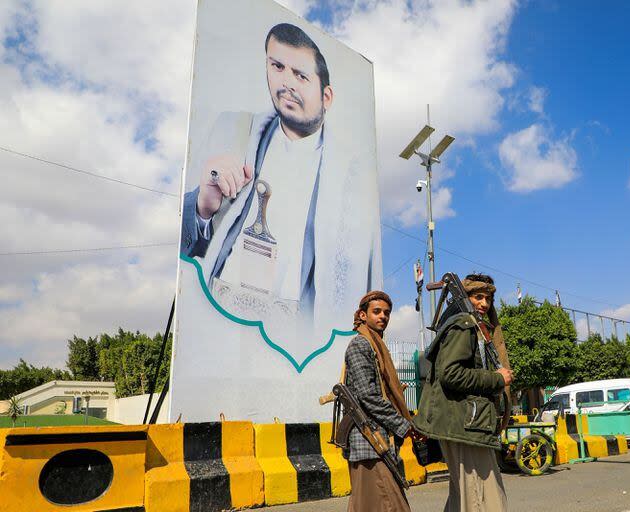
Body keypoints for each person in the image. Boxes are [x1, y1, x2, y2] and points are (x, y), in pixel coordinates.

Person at [180, 22, 381, 328]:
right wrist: (203, 207)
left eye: (300, 75)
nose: (286, 83)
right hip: (219, 321)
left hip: (295, 336)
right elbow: (188, 251)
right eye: (277, 66)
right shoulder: (233, 131)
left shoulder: (353, 178)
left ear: (326, 96)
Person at [414, 273, 514, 512]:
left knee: (465, 499)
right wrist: (497, 378)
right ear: (466, 299)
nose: (484, 304)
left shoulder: (471, 326)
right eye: (478, 297)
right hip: (465, 426)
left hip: (468, 424)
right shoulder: (464, 325)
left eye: (487, 298)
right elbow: (451, 374)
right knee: (483, 501)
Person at [343, 291, 421, 512]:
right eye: (376, 311)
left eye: (386, 313)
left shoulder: (376, 346)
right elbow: (368, 396)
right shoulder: (360, 345)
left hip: (378, 440)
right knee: (392, 505)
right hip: (369, 440)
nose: (383, 317)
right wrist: (403, 425)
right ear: (363, 315)